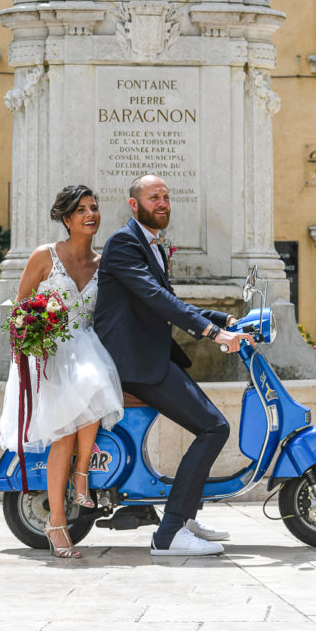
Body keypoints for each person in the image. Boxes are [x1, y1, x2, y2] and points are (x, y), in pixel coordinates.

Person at [94, 174, 254, 557]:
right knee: (214, 427)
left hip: (148, 356)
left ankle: (185, 519)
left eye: (166, 196)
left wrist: (223, 320)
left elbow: (166, 298)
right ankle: (169, 534)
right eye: (154, 197)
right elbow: (154, 298)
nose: (163, 202)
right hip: (134, 362)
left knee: (210, 425)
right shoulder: (124, 242)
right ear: (134, 205)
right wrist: (212, 334)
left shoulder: (148, 243)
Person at [0, 185, 123, 558]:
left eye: (94, 208)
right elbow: (19, 311)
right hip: (48, 352)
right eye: (81, 210)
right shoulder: (44, 256)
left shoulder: (105, 263)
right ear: (66, 219)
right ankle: (56, 523)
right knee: (62, 436)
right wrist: (35, 332)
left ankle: (81, 473)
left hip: (87, 348)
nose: (91, 215)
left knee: (93, 380)